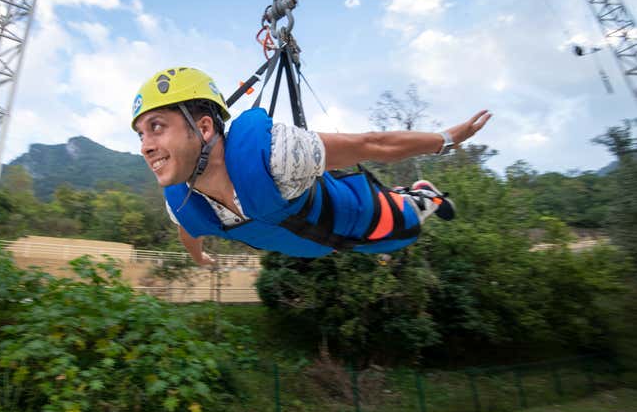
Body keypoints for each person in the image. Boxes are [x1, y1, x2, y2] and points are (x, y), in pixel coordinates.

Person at [132, 67, 491, 265]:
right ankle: (410, 198)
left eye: (157, 127)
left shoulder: (277, 155)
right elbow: (187, 232)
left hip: (360, 217)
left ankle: (426, 196)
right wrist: (201, 258)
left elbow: (371, 145)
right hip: (321, 245)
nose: (146, 146)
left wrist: (446, 140)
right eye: (141, 135)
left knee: (405, 227)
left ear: (204, 127)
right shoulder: (180, 202)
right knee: (373, 247)